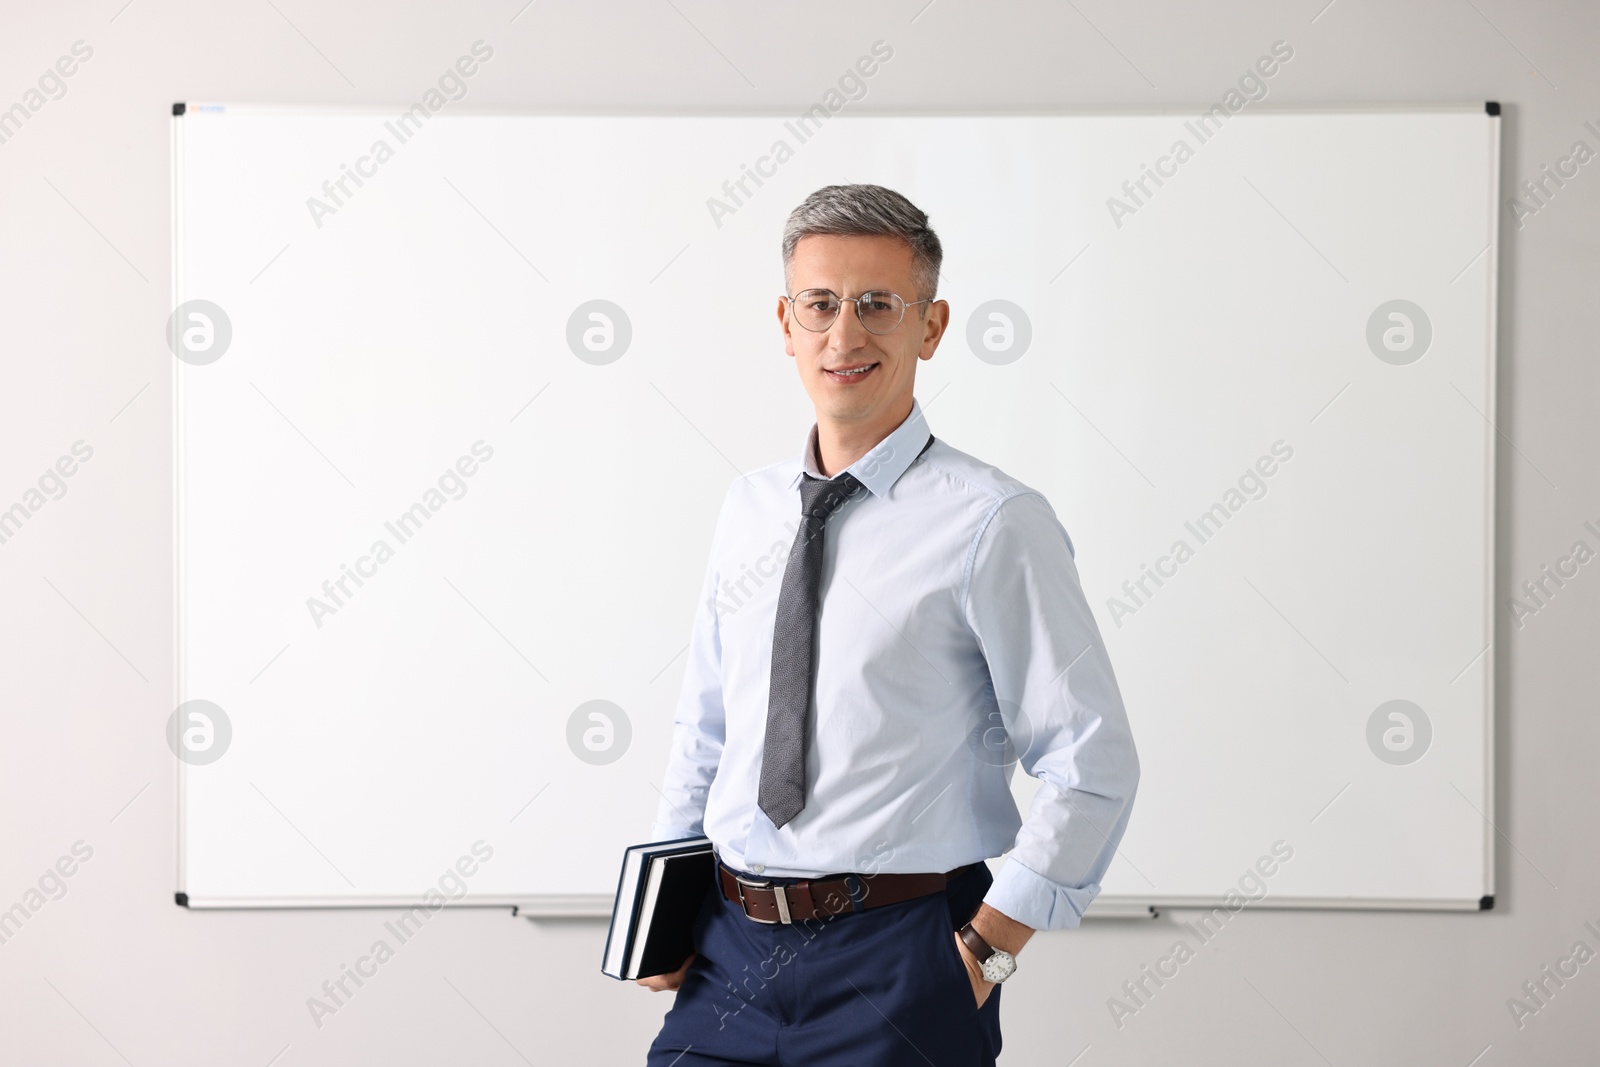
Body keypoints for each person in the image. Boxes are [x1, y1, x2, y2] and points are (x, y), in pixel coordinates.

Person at [638, 183, 1140, 1066]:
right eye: (821, 304)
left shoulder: (994, 522)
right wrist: (665, 910)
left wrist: (984, 949)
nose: (845, 335)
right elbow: (707, 727)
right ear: (785, 322)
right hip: (725, 951)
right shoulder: (749, 509)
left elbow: (1090, 758)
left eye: (878, 305)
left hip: (900, 955)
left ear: (932, 327)